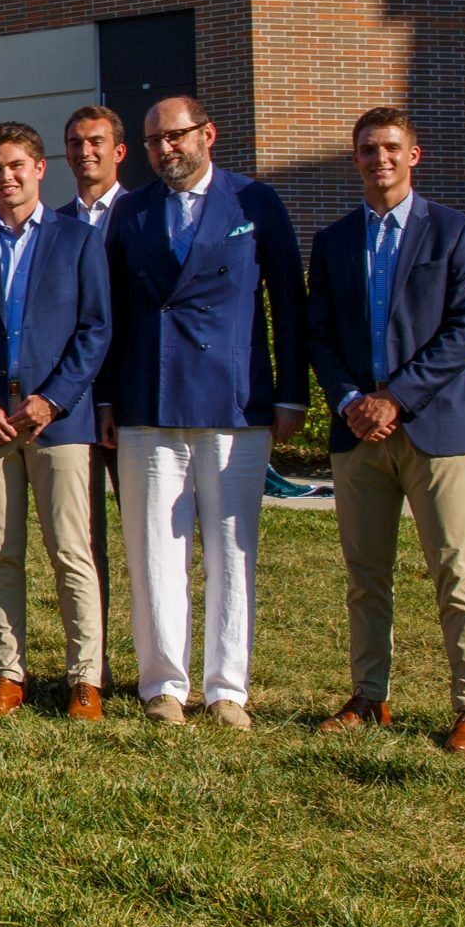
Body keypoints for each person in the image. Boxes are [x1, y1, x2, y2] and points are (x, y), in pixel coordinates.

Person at [100, 96, 307, 729]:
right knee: (154, 552)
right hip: (148, 401)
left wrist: (291, 394)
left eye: (176, 136)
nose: (165, 149)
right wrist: (106, 398)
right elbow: (108, 311)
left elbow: (289, 302)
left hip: (234, 401)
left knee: (231, 552)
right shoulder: (130, 210)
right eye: (154, 140)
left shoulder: (255, 202)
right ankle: (163, 686)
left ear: (207, 134)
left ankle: (226, 690)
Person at [305, 108, 465, 753]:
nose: (378, 158)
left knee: (455, 568)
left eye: (390, 147)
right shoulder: (333, 241)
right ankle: (369, 695)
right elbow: (319, 334)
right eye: (367, 149)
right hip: (358, 431)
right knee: (365, 573)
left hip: (435, 428)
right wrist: (353, 401)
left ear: (414, 155)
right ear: (355, 158)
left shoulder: (458, 232)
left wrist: (397, 400)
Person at [0, 123, 112, 720]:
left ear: (40, 168)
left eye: (16, 166)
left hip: (56, 423)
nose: (5, 177)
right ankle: (8, 673)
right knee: (0, 553)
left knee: (71, 552)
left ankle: (85, 678)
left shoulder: (78, 240)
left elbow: (95, 331)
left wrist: (53, 400)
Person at [59, 103, 129, 663]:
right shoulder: (54, 225)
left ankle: (159, 669)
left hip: (133, 402)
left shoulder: (144, 215)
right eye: (76, 143)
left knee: (149, 544)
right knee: (82, 542)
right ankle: (92, 664)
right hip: (72, 404)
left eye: (96, 142)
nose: (86, 152)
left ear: (118, 151)